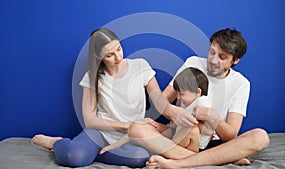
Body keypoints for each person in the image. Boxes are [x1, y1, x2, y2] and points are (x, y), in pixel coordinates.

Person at [31, 28, 192, 168]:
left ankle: (93, 153)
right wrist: (128, 125)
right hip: (100, 134)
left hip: (130, 139)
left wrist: (172, 111)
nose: (118, 57)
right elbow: (90, 120)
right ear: (99, 56)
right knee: (74, 157)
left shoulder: (141, 66)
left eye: (119, 49)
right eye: (110, 55)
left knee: (139, 158)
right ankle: (56, 142)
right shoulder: (92, 77)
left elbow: (158, 100)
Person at [128, 28, 270, 168]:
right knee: (137, 128)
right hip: (179, 134)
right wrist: (172, 111)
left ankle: (179, 162)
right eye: (212, 52)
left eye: (222, 57)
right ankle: (222, 159)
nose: (214, 60)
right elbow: (161, 100)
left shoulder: (241, 84)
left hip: (214, 142)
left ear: (236, 60)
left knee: (260, 137)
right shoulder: (193, 63)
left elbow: (231, 135)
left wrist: (214, 119)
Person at [99, 67, 212, 154]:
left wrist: (186, 121)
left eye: (181, 94)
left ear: (198, 92)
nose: (178, 98)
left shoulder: (202, 101)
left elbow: (207, 130)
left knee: (191, 128)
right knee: (142, 123)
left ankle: (170, 154)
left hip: (195, 145)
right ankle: (117, 145)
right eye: (177, 94)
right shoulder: (189, 101)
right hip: (178, 137)